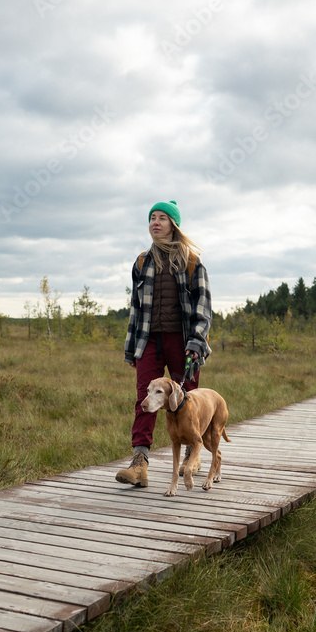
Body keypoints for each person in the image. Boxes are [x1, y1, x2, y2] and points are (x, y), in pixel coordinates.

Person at [115, 200, 212, 487]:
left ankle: (190, 459)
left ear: (174, 225)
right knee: (144, 401)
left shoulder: (192, 261)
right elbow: (135, 308)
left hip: (183, 343)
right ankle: (139, 463)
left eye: (162, 218)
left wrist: (196, 342)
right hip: (148, 341)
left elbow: (203, 308)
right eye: (152, 218)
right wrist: (132, 347)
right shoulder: (142, 262)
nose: (155, 223)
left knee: (187, 400)